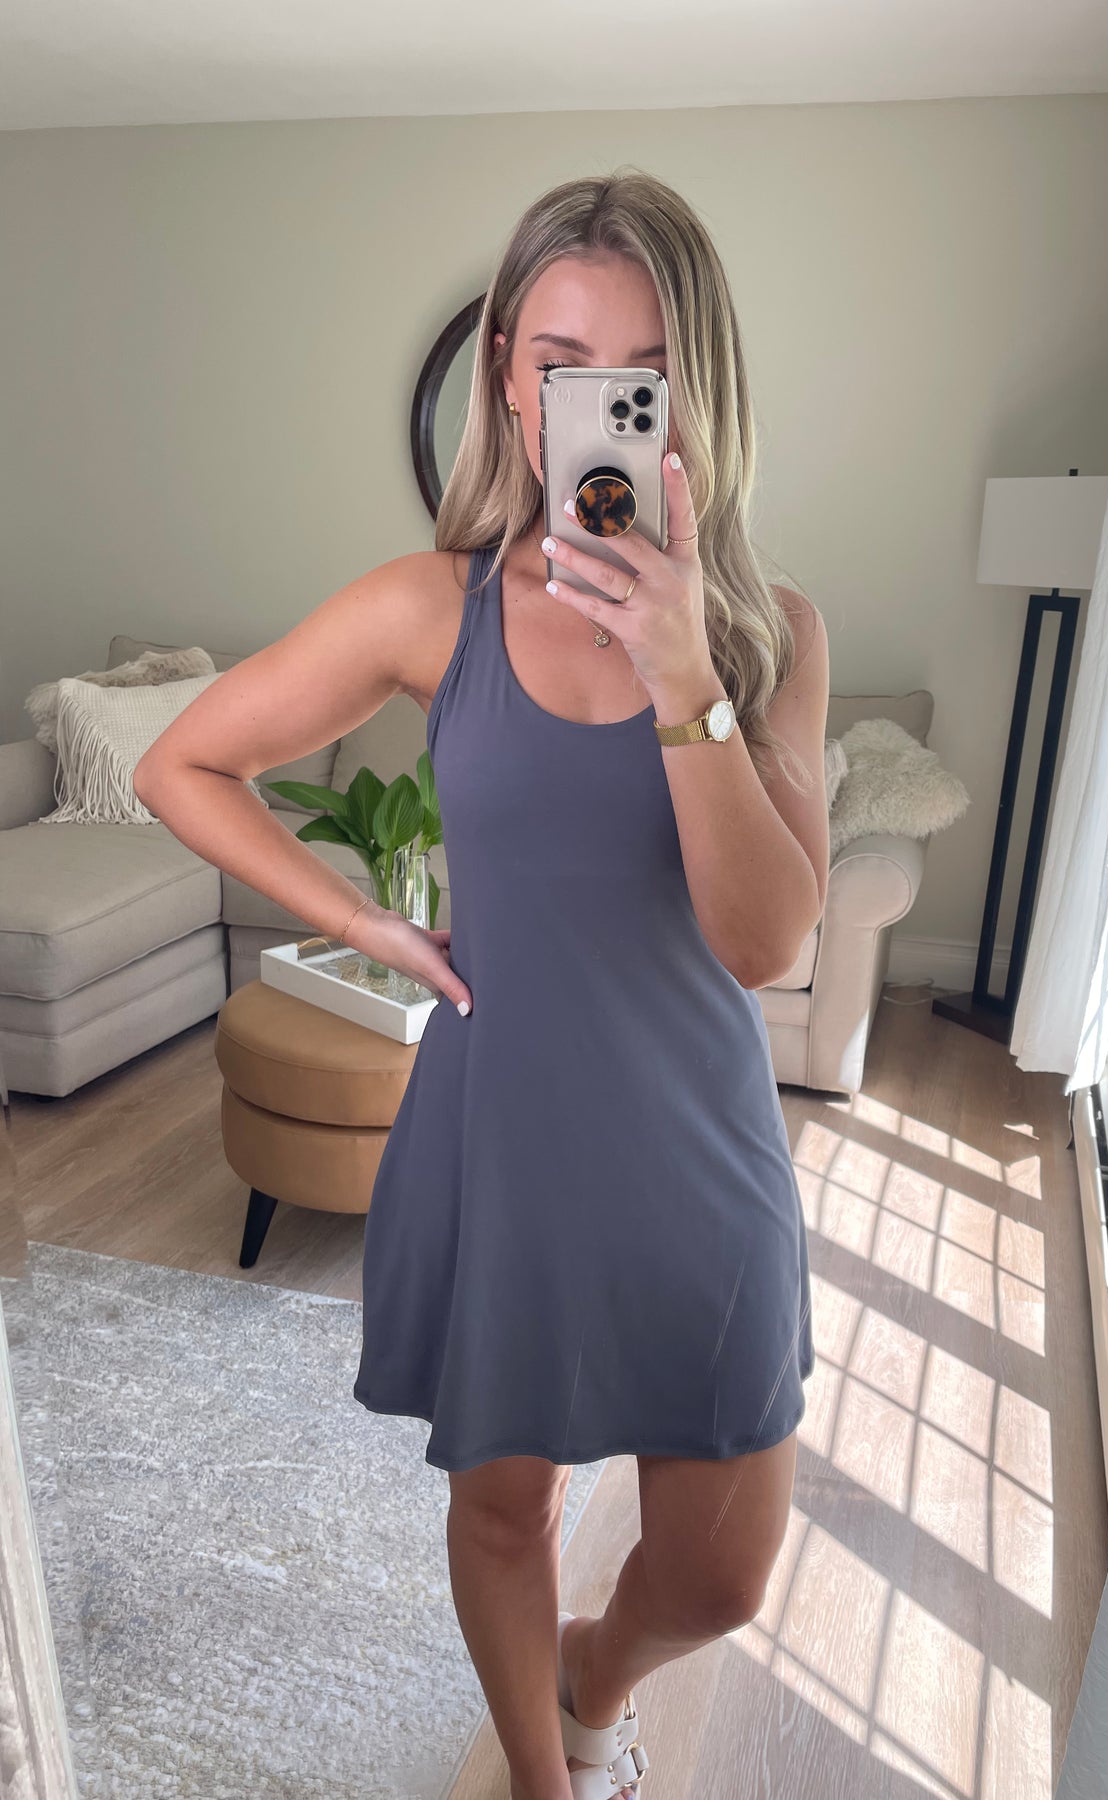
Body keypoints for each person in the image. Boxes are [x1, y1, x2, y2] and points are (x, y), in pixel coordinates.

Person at [134, 166, 830, 1800]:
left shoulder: (770, 634)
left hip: (695, 1146)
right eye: (561, 358)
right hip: (499, 1124)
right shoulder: (426, 606)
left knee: (720, 1571)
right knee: (503, 1507)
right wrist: (364, 923)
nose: (593, 397)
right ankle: (540, 1773)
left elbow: (764, 943)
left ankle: (598, 1670)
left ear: (691, 392)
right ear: (510, 373)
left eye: (639, 367)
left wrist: (681, 672)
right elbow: (184, 764)